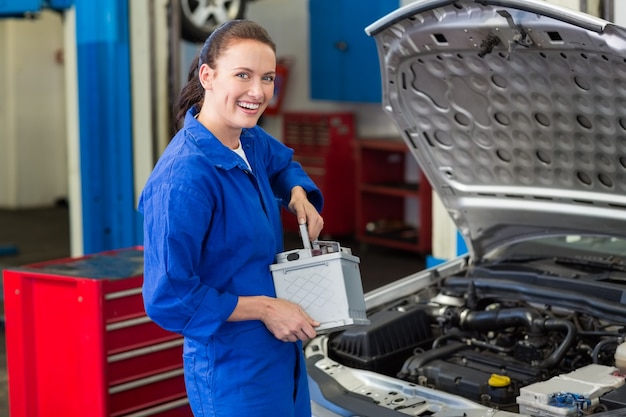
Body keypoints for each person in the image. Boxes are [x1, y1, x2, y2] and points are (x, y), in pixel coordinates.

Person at [138, 20, 325, 417]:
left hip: (279, 352)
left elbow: (282, 164)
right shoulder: (183, 179)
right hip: (231, 369)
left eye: (267, 78)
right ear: (207, 75)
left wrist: (296, 193)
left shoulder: (248, 138)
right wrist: (265, 308)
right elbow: (169, 296)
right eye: (243, 75)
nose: (257, 92)